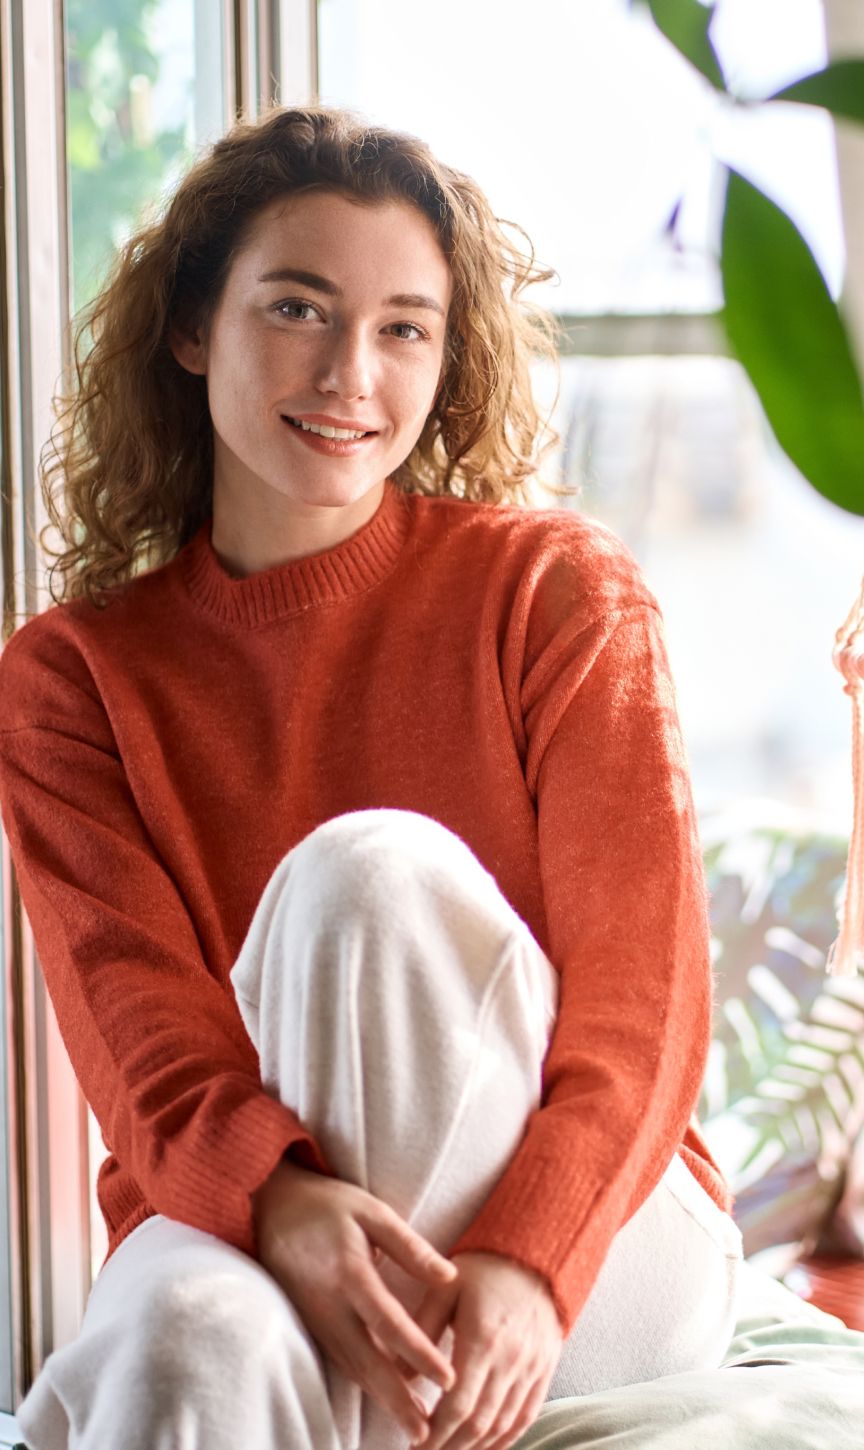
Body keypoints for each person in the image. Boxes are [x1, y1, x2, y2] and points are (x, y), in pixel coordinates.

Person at [0, 104, 744, 1450]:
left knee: (368, 878)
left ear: (446, 357)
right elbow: (140, 1037)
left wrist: (528, 1258)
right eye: (298, 307)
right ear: (188, 328)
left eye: (405, 326)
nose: (353, 371)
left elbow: (645, 1002)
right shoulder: (70, 680)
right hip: (253, 1216)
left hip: (602, 1242)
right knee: (182, 1341)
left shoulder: (556, 592)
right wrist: (279, 1205)